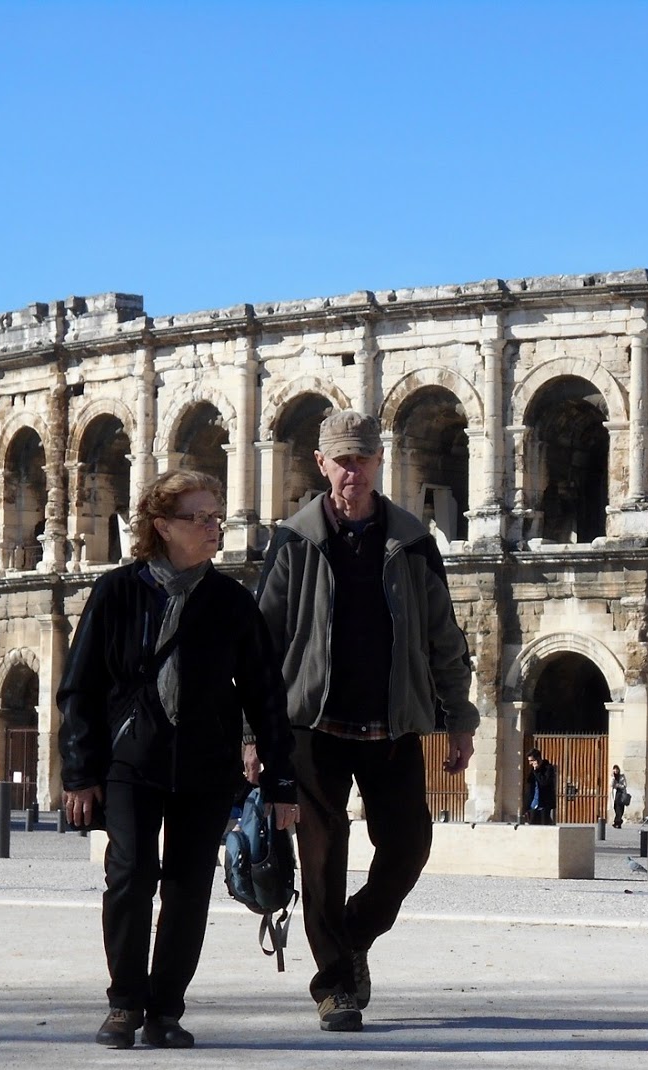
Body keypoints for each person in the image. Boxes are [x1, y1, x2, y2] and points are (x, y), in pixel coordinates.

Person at [58, 469, 298, 1050]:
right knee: (130, 876)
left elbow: (265, 695)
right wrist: (79, 773)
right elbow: (80, 688)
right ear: (162, 526)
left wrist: (283, 781)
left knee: (189, 888)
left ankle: (166, 1007)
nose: (216, 526)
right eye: (201, 517)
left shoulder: (232, 602)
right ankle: (124, 1004)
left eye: (217, 515)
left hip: (204, 764)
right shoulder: (116, 592)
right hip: (130, 760)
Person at [256, 409, 479, 1034]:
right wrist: (253, 734)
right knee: (322, 860)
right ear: (322, 464)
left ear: (379, 462)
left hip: (392, 724)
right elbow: (262, 645)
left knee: (409, 846)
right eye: (342, 459)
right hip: (315, 727)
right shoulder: (294, 541)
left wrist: (458, 720)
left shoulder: (411, 541)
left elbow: (444, 638)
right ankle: (334, 987)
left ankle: (352, 934)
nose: (353, 470)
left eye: (363, 458)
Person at [524, 748, 557, 825]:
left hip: (544, 805)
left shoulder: (548, 768)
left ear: (537, 759)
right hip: (533, 805)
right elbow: (529, 782)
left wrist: (537, 771)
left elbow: (544, 782)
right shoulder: (533, 770)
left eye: (531, 761)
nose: (530, 763)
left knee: (544, 827)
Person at [609, 764, 629, 828]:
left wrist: (618, 785)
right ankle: (618, 821)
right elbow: (611, 785)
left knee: (621, 809)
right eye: (614, 769)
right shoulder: (612, 777)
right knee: (616, 808)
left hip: (622, 794)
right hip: (616, 794)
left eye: (617, 769)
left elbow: (625, 785)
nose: (616, 770)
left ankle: (617, 822)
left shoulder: (622, 776)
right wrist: (613, 778)